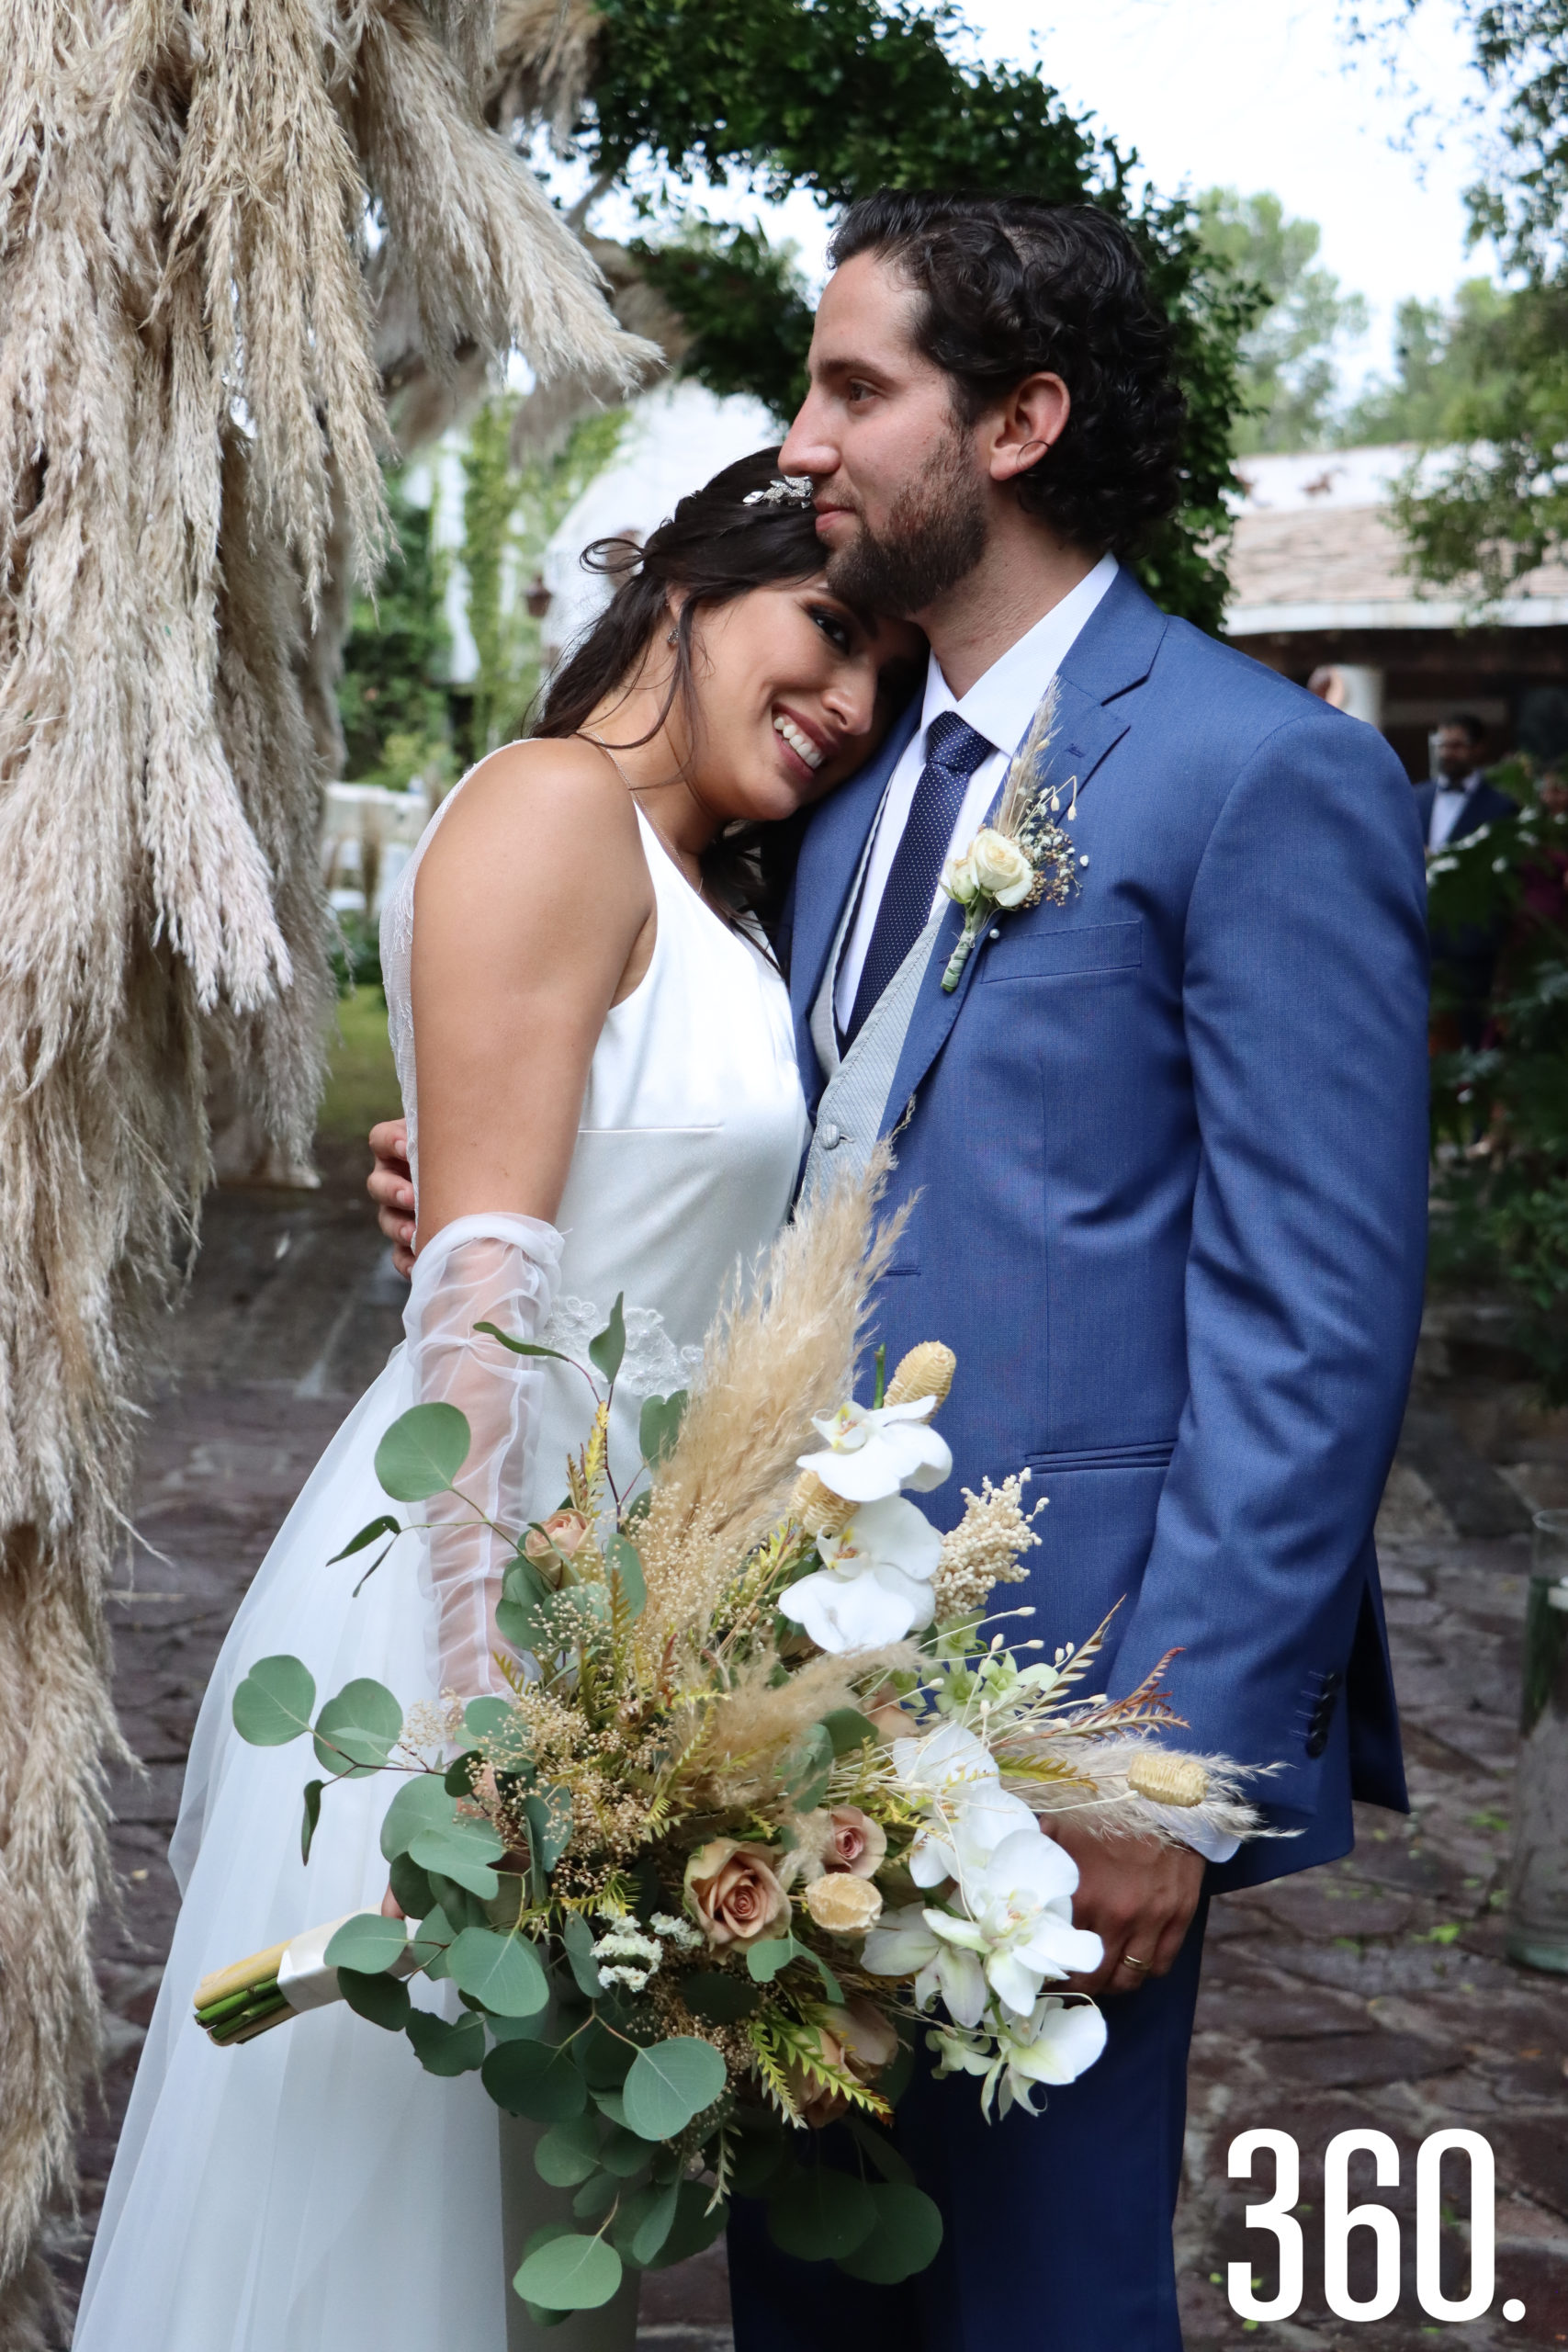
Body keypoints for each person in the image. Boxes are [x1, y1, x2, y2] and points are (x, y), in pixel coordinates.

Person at [371, 194, 1429, 2346]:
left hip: (1060, 1727)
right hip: (768, 1724)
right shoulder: (838, 794)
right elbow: (753, 1140)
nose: (805, 435)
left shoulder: (1257, 774)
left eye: (855, 386)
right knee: (814, 2296)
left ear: (1017, 420)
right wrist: (502, 1183)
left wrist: (1169, 1767)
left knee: (1037, 2302)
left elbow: (1312, 1311)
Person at [73, 450, 918, 2352]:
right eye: (828, 630)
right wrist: (492, 1715)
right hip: (482, 1620)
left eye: (885, 669)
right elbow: (481, 1296)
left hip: (622, 1626)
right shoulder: (553, 808)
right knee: (387, 2259)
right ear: (686, 586)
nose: (851, 701)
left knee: (528, 2262)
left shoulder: (707, 887)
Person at [1416, 714, 1519, 1046]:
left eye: (1458, 745)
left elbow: (1502, 878)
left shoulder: (1502, 807)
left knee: (1469, 1038)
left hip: (1471, 946)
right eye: (1443, 745)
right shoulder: (1416, 797)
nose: (1448, 753)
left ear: (1479, 749)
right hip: (1420, 939)